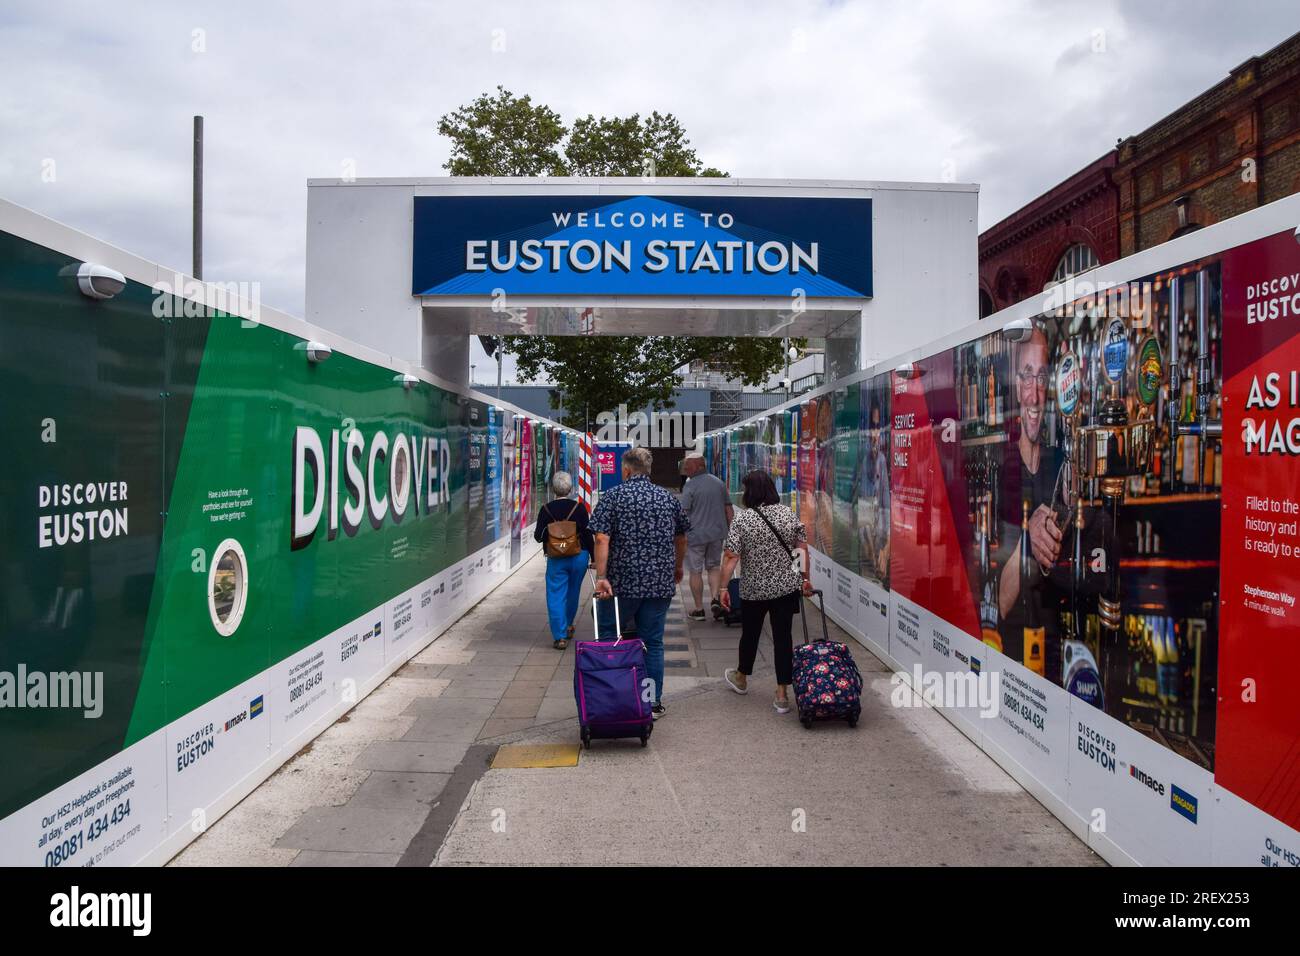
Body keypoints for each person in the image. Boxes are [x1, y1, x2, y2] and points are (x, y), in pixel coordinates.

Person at [590, 446, 689, 720]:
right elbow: (681, 537)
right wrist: (678, 566)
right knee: (653, 642)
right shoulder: (667, 498)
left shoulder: (613, 497)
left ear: (626, 470)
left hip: (621, 584)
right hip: (659, 582)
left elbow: (601, 539)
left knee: (610, 635)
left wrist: (601, 576)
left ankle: (613, 695)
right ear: (648, 470)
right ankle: (653, 702)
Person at [996, 326, 1067, 680]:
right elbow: (995, 604)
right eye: (1027, 377)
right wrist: (1028, 541)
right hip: (1009, 654)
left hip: (1054, 647)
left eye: (1042, 377)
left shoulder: (1061, 462)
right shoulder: (998, 467)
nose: (1034, 393)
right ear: (1013, 385)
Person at [718, 469, 813, 715]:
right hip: (785, 588)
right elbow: (800, 550)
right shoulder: (787, 514)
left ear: (750, 492)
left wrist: (722, 587)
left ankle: (741, 677)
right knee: (783, 639)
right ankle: (782, 694)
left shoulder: (744, 519)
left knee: (750, 634)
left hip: (754, 590)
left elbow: (731, 557)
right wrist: (804, 579)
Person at [533, 471, 593, 650]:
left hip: (556, 557)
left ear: (553, 489)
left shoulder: (546, 509)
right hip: (579, 556)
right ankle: (568, 625)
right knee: (573, 592)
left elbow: (538, 536)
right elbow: (588, 535)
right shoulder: (579, 508)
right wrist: (595, 557)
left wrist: (552, 532)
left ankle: (559, 637)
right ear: (571, 488)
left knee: (555, 594)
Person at [679, 450, 734, 621]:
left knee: (695, 571)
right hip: (717, 534)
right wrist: (732, 532)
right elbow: (729, 509)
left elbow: (684, 512)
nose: (686, 470)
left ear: (698, 466)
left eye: (688, 467)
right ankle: (715, 599)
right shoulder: (718, 483)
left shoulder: (690, 485)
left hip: (695, 535)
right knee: (713, 567)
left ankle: (698, 609)